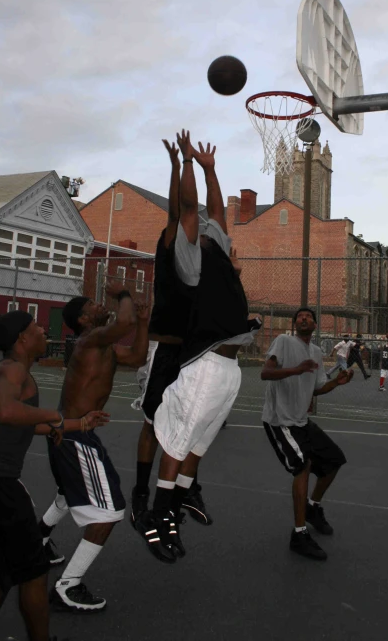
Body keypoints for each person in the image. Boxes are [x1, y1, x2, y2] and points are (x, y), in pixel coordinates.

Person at [136, 130, 260, 563]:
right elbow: (189, 208)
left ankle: (179, 501)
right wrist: (186, 163)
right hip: (205, 362)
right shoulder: (191, 254)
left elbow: (212, 209)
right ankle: (157, 513)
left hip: (230, 365)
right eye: (204, 224)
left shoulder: (220, 247)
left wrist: (211, 170)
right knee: (177, 439)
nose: (211, 225)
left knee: (198, 444)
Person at [0, 310, 108, 641]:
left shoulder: (13, 371)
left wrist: (76, 424)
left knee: (2, 573)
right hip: (2, 487)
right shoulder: (12, 370)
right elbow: (3, 410)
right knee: (33, 572)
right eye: (36, 328)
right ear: (22, 340)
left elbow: (19, 421)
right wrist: (54, 418)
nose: (44, 330)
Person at [40, 283, 149, 613]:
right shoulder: (90, 340)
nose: (102, 305)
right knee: (111, 510)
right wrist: (125, 294)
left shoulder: (104, 345)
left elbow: (138, 355)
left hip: (72, 434)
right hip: (75, 437)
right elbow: (124, 322)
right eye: (93, 305)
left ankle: (38, 540)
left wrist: (142, 322)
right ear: (84, 320)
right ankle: (68, 585)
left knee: (66, 493)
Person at [130, 140, 212, 529]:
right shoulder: (168, 246)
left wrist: (197, 167)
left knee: (189, 425)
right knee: (152, 423)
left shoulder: (198, 258)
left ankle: (183, 487)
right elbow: (177, 208)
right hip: (165, 349)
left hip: (191, 356)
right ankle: (141, 492)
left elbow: (201, 214)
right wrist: (180, 164)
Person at [261, 307, 352, 561]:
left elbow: (317, 388)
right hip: (280, 420)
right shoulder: (283, 342)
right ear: (294, 323)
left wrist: (336, 383)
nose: (304, 318)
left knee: (335, 459)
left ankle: (312, 508)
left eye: (309, 317)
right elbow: (265, 373)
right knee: (302, 465)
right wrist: (296, 370)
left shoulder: (316, 352)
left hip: (301, 421)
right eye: (300, 316)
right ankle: (299, 535)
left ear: (314, 324)